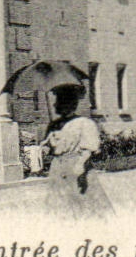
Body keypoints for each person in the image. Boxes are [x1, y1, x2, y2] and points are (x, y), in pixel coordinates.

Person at [43, 84, 112, 217]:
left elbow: (89, 148)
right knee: (60, 204)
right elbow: (50, 149)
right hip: (57, 167)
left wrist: (80, 164)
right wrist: (49, 144)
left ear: (69, 103)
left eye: (59, 101)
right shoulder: (54, 125)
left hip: (76, 165)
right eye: (56, 101)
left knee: (83, 202)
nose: (55, 105)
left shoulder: (84, 123)